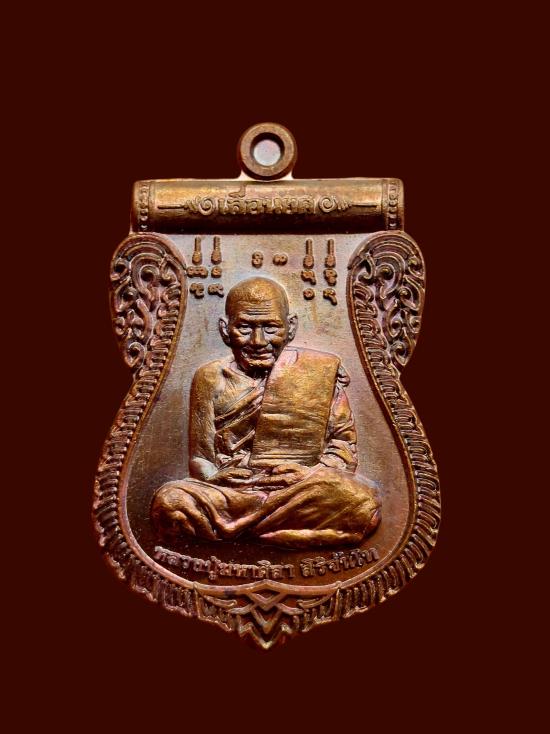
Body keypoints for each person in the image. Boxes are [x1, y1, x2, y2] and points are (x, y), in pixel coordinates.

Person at [151, 276, 380, 549]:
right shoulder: (210, 378)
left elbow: (343, 448)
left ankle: (241, 533)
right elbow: (201, 457)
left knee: (360, 499)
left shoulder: (319, 372)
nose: (258, 341)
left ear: (290, 327)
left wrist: (309, 474)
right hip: (234, 492)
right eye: (244, 327)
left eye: (270, 327)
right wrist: (212, 476)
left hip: (299, 488)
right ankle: (280, 534)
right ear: (225, 329)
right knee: (170, 501)